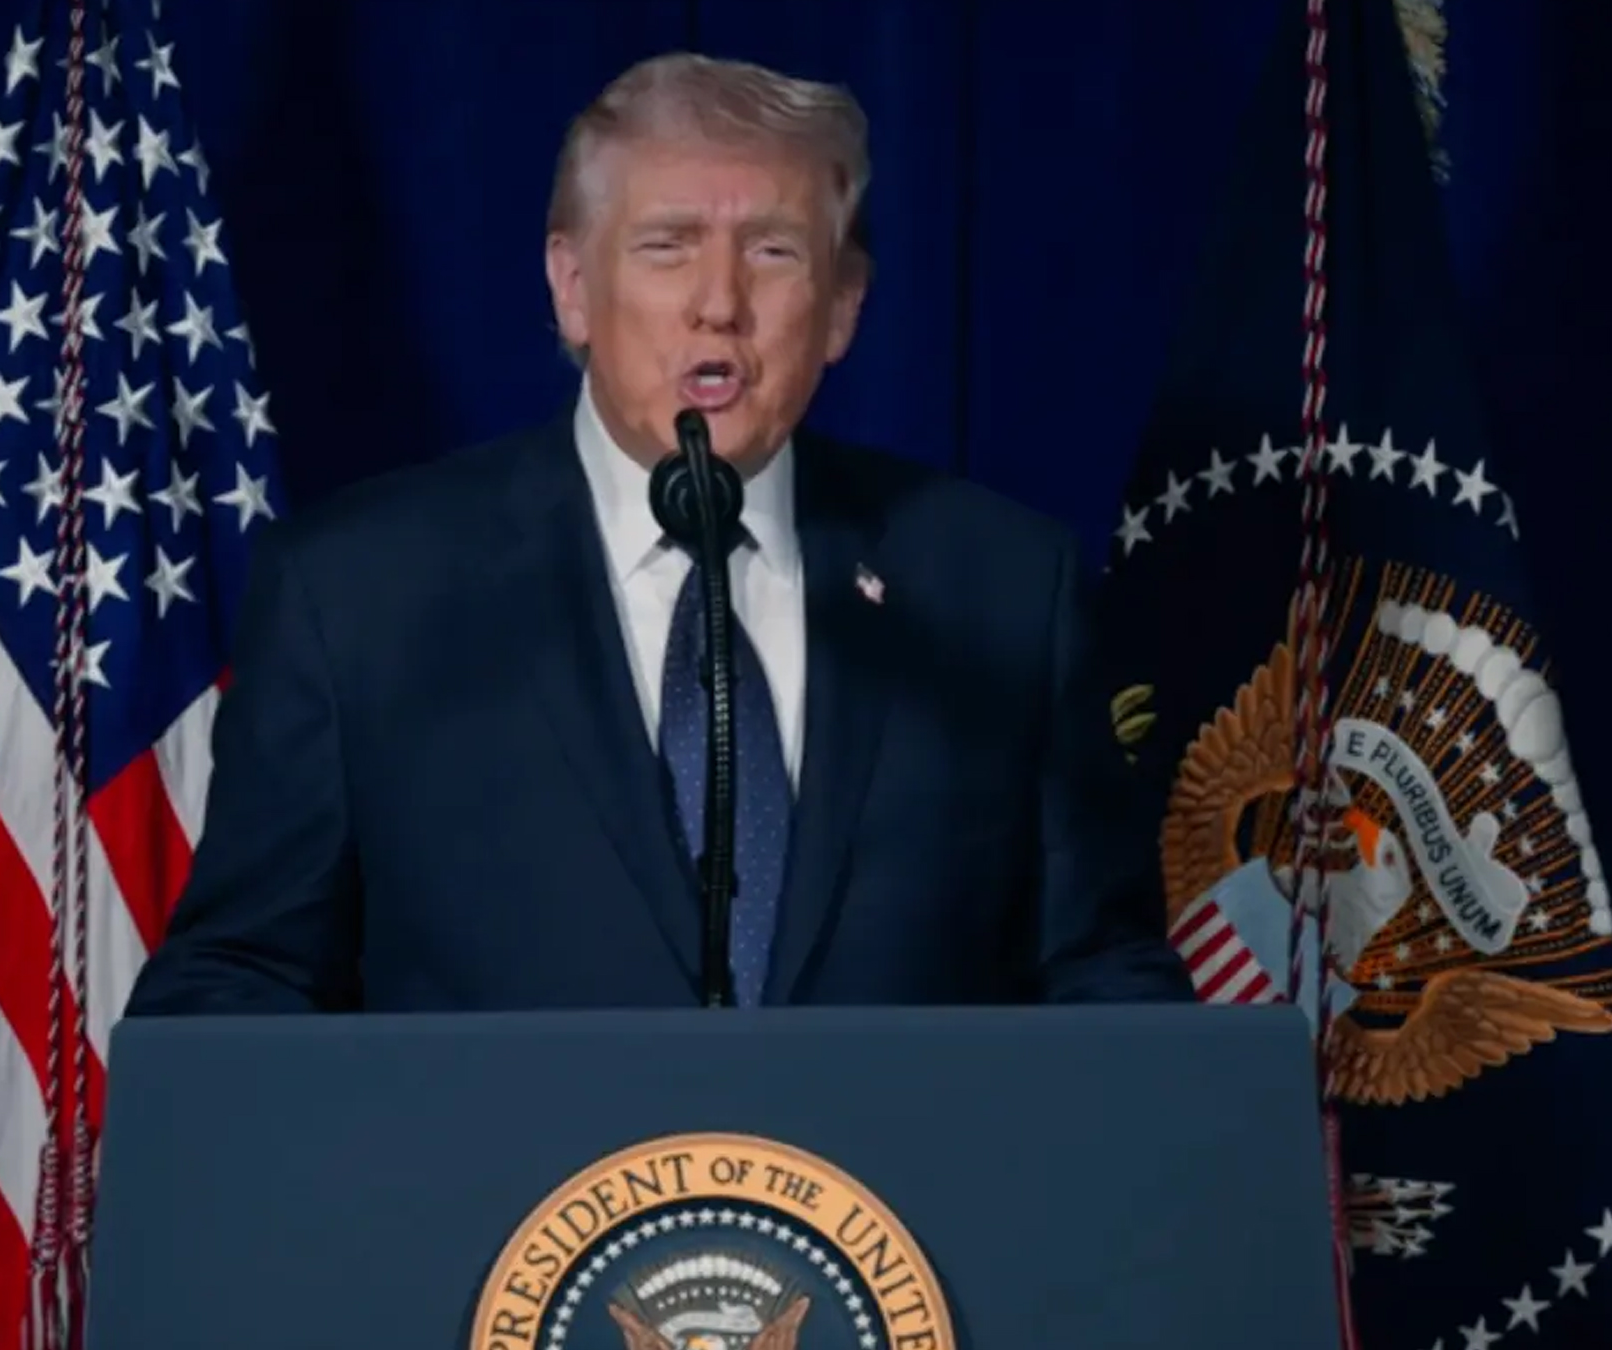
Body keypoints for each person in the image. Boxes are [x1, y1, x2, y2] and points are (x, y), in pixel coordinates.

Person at [123, 52, 1192, 1014]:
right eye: (668, 247)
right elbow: (240, 980)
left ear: (844, 309)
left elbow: (1101, 975)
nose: (718, 303)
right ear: (574, 287)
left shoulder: (1001, 590)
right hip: (486, 1227)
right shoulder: (359, 594)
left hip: (901, 1229)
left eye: (773, 252)